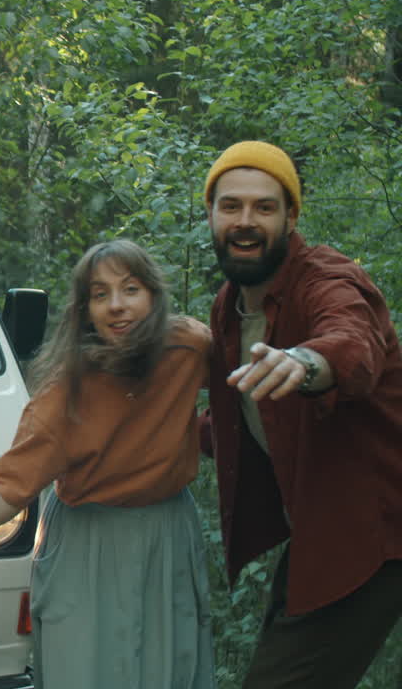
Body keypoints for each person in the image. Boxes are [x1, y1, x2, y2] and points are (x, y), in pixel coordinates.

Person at [0, 240, 216, 689]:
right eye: (100, 294)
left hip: (166, 535)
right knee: (88, 671)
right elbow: (8, 488)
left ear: (154, 295)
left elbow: (245, 390)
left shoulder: (189, 347)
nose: (117, 306)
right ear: (85, 310)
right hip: (88, 546)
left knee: (167, 668)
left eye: (131, 289)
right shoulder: (65, 395)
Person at [201, 140, 402, 689]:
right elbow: (243, 422)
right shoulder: (229, 307)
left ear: (291, 217)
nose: (246, 222)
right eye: (231, 206)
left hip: (379, 530)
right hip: (322, 528)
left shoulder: (326, 280)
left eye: (265, 207)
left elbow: (353, 344)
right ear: (211, 215)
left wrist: (307, 361)